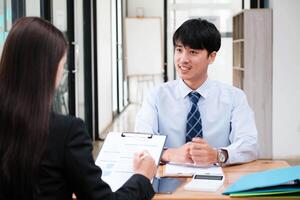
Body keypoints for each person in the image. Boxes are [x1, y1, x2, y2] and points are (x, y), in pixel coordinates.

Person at [0, 17, 156, 200]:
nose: (62, 71)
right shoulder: (66, 132)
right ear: (48, 69)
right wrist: (142, 177)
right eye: (63, 64)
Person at [135, 18, 258, 166]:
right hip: (166, 182)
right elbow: (140, 141)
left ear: (211, 57)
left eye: (193, 52)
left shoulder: (234, 98)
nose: (183, 59)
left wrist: (218, 155)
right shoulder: (156, 96)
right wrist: (169, 154)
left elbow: (250, 145)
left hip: (218, 181)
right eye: (179, 50)